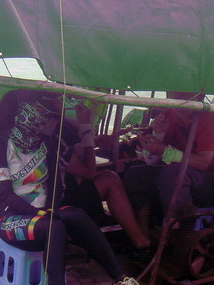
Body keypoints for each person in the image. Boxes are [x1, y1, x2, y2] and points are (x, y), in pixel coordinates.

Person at [0, 89, 149, 285]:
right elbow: (3, 193)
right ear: (22, 113)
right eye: (40, 113)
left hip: (42, 215)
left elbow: (69, 178)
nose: (43, 120)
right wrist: (36, 213)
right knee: (54, 225)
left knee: (75, 215)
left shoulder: (47, 144)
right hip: (11, 220)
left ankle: (119, 280)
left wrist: (85, 132)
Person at [123, 92, 214, 232]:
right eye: (175, 97)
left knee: (174, 172)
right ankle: (142, 233)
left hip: (212, 179)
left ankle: (179, 231)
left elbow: (204, 162)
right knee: (136, 174)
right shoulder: (169, 115)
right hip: (179, 172)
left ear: (198, 97)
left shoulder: (210, 118)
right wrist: (159, 134)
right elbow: (152, 161)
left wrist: (164, 151)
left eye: (186, 97)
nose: (180, 103)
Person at [59, 104, 152, 257]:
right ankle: (141, 241)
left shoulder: (43, 130)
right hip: (60, 204)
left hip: (49, 195)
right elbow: (89, 172)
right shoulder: (56, 138)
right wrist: (85, 127)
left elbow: (76, 154)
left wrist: (94, 141)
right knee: (110, 178)